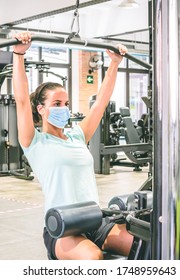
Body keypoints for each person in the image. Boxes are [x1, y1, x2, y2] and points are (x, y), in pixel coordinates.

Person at [12, 31, 133, 260]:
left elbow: (100, 104)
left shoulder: (78, 135)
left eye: (66, 103)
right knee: (93, 258)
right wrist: (18, 55)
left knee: (143, 245)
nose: (64, 108)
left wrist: (114, 64)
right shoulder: (34, 142)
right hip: (63, 227)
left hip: (94, 219)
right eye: (57, 103)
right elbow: (20, 100)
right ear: (40, 109)